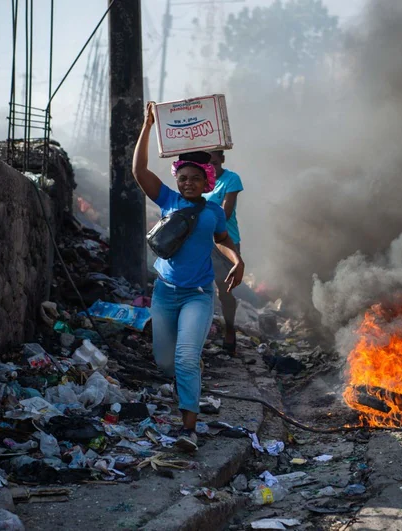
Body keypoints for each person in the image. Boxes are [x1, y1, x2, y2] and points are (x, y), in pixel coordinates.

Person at [132, 102, 244, 452]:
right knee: (166, 361)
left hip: (198, 294)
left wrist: (237, 260)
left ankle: (188, 429)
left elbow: (222, 240)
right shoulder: (167, 200)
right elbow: (139, 169)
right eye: (184, 178)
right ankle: (188, 373)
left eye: (196, 178)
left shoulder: (213, 212)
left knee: (183, 357)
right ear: (177, 180)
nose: (189, 183)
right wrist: (148, 126)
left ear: (206, 181)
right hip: (165, 294)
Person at [203, 150, 244, 355]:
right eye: (207, 164)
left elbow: (225, 213)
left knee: (224, 291)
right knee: (197, 288)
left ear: (222, 161)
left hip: (226, 242)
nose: (211, 168)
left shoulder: (231, 179)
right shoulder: (197, 178)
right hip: (201, 241)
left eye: (215, 163)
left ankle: (229, 330)